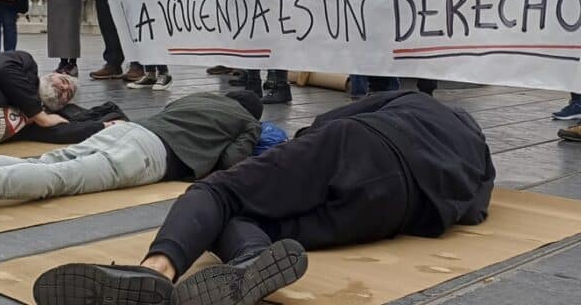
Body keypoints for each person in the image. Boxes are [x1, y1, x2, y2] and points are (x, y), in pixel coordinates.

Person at [33, 91, 495, 305]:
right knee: (268, 228)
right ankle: (251, 257)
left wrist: (300, 154)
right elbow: (474, 210)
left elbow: (334, 120)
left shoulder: (416, 100)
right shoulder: (478, 154)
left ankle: (155, 270)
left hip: (356, 147)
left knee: (219, 192)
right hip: (399, 209)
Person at [0, 90, 263, 220]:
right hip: (150, 156)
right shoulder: (247, 121)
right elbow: (233, 163)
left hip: (127, 130)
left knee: (45, 163)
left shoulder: (200, 96)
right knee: (58, 180)